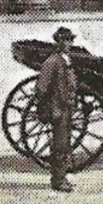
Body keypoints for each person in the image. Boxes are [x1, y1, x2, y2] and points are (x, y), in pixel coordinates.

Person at [35, 26, 79, 192]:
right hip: (57, 109)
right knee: (60, 145)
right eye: (65, 40)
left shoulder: (65, 60)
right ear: (58, 42)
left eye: (69, 40)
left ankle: (61, 177)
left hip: (65, 108)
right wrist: (48, 105)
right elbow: (41, 87)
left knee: (65, 144)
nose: (68, 43)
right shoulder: (52, 62)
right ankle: (58, 180)